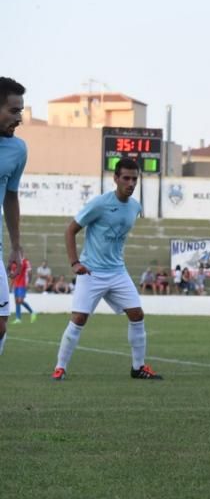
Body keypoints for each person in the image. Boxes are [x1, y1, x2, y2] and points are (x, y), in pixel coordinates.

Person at [51, 158, 163, 380]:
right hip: (91, 271)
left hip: (117, 272)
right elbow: (70, 230)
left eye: (134, 179)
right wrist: (75, 263)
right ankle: (60, 367)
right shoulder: (99, 204)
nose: (131, 183)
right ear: (115, 179)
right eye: (126, 178)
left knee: (137, 314)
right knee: (79, 318)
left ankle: (138, 367)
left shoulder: (135, 206)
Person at [0, 76, 27, 358]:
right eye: (14, 111)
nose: (19, 118)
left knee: (0, 326)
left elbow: (11, 196)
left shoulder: (18, 150)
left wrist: (16, 246)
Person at [9, 255, 36, 324]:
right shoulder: (13, 264)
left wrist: (29, 283)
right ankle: (18, 318)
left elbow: (30, 272)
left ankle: (32, 312)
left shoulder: (25, 261)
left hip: (23, 284)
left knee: (20, 300)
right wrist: (11, 286)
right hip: (16, 284)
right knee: (17, 301)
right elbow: (13, 275)